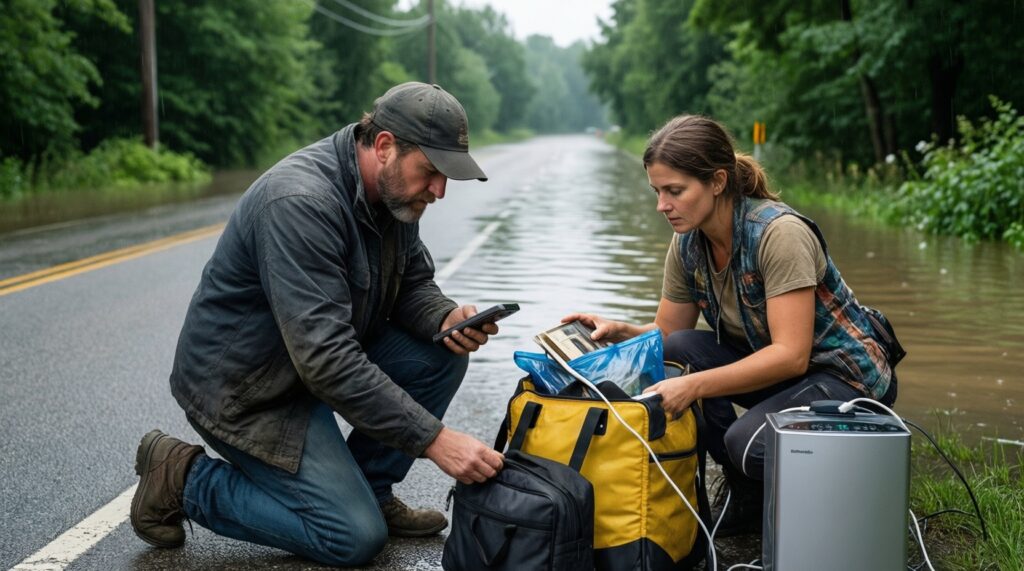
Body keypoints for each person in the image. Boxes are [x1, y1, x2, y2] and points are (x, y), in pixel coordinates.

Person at [130, 82, 506, 566]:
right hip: (248, 392)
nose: (439, 191)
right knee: (351, 539)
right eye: (431, 172)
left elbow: (413, 284)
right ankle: (181, 479)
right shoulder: (299, 203)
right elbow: (327, 360)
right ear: (386, 146)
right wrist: (435, 440)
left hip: (307, 367)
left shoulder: (395, 194)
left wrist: (445, 317)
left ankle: (370, 489)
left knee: (440, 351)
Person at [564, 115, 899, 537]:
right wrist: (620, 330)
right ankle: (748, 494)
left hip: (848, 379)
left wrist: (694, 387)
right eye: (657, 191)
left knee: (749, 443)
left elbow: (791, 356)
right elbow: (668, 337)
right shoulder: (687, 241)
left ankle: (834, 502)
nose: (662, 206)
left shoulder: (779, 234)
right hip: (788, 373)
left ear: (718, 181)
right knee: (681, 348)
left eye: (675, 191)